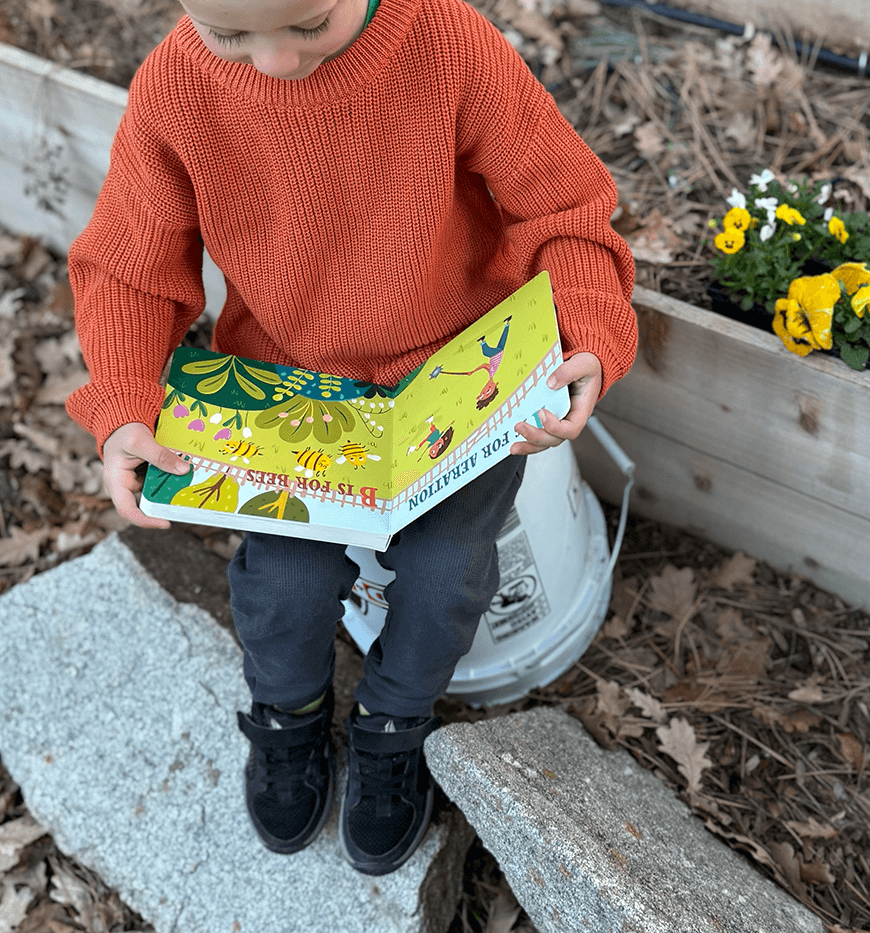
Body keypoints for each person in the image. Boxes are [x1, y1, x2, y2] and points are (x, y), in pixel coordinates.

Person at [65, 0, 637, 875]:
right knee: (285, 580)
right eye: (231, 36)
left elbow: (559, 204)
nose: (274, 63)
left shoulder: (445, 42)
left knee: (448, 572)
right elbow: (130, 268)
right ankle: (287, 716)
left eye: (309, 25)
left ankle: (393, 723)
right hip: (289, 384)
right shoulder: (176, 90)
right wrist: (124, 399)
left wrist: (589, 321)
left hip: (458, 368)